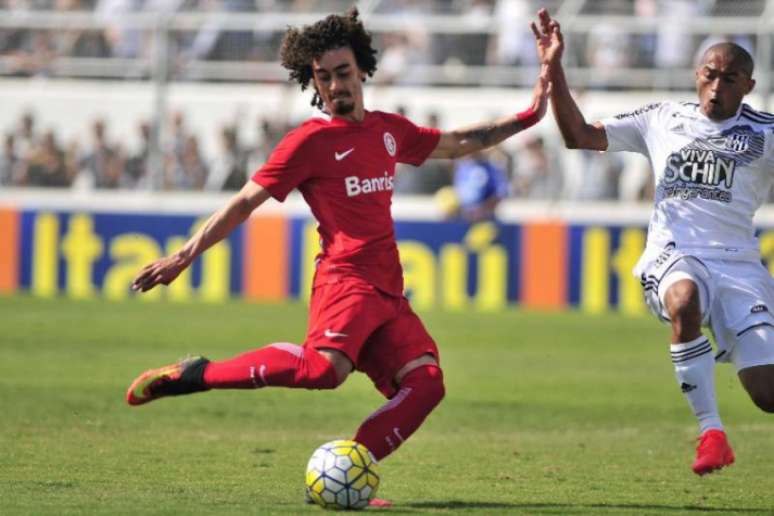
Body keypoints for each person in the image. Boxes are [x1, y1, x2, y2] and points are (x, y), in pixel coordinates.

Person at [126, 7, 549, 506]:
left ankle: (346, 473)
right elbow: (244, 201)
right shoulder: (309, 142)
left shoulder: (388, 131)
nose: (334, 86)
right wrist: (184, 255)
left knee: (428, 383)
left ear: (362, 70)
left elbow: (456, 144)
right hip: (345, 282)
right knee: (324, 371)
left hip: (388, 290)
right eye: (322, 77)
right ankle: (195, 374)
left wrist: (532, 114)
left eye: (342, 73)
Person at [532, 8, 774, 476]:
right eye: (709, 76)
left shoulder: (766, 132)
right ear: (695, 75)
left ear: (748, 84)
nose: (717, 88)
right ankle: (712, 433)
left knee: (767, 394)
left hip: (740, 266)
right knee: (684, 300)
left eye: (730, 79)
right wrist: (555, 68)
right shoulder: (662, 118)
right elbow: (578, 135)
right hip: (675, 255)